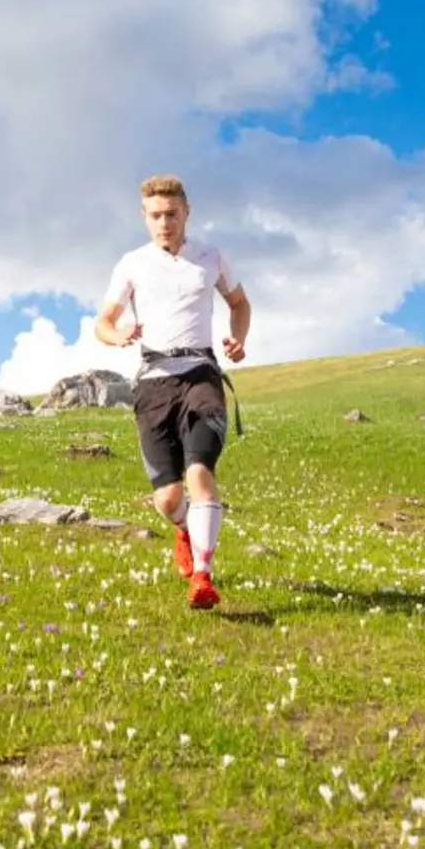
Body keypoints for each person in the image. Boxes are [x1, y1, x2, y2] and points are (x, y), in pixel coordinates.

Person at [94, 174, 250, 610]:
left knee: (200, 473)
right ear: (144, 218)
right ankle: (184, 528)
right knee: (167, 498)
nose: (165, 223)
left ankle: (203, 576)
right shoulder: (131, 264)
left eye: (172, 214)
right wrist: (118, 333)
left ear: (187, 213)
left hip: (201, 372)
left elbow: (239, 303)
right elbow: (101, 321)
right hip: (154, 380)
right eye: (156, 216)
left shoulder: (211, 258)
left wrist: (238, 339)